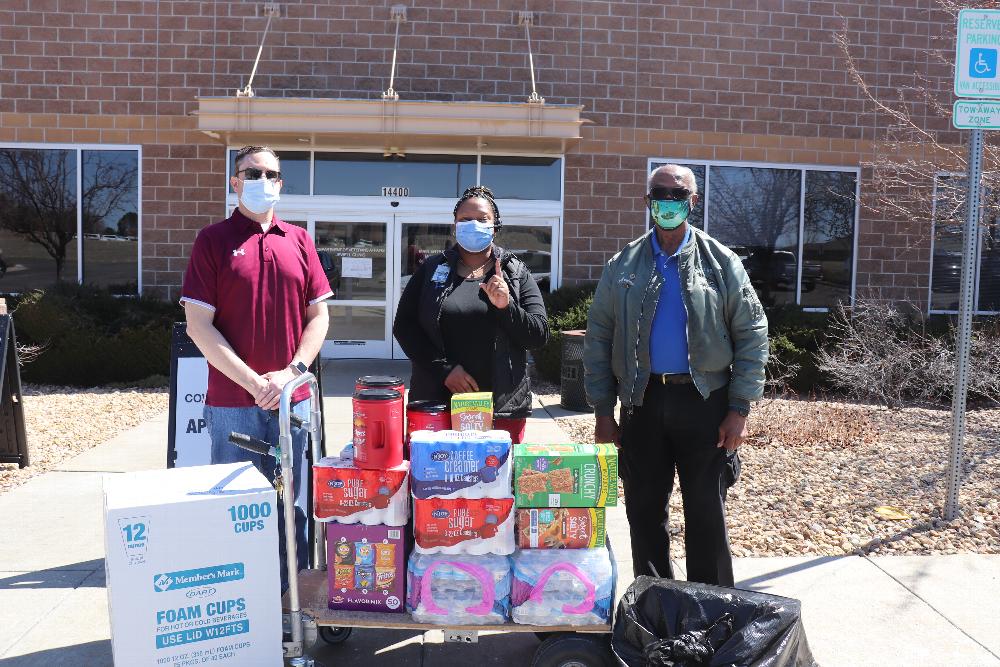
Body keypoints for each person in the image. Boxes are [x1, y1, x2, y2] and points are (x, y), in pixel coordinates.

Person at [583, 164, 768, 587]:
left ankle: (712, 605)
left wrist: (739, 409)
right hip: (642, 402)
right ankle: (655, 604)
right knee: (644, 511)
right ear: (647, 201)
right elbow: (599, 337)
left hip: (705, 402)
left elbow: (752, 333)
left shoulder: (721, 262)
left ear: (693, 201)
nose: (668, 201)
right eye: (659, 193)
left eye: (677, 194)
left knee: (706, 512)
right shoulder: (622, 264)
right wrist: (603, 411)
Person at [180, 145, 333, 591]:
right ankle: (246, 605)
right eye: (252, 173)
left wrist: (290, 374)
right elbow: (198, 325)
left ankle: (293, 603)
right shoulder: (212, 240)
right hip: (233, 406)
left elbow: (319, 317)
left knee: (293, 507)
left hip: (291, 403)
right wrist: (253, 383)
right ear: (235, 182)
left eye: (271, 174)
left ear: (281, 183)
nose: (262, 180)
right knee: (237, 512)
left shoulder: (299, 240)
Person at [393, 185, 549, 443]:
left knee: (497, 469)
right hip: (437, 405)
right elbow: (404, 327)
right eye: (465, 219)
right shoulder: (432, 269)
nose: (473, 225)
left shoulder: (515, 272)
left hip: (501, 409)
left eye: (482, 219)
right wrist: (444, 370)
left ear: (495, 226)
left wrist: (507, 307)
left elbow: (539, 335)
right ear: (454, 227)